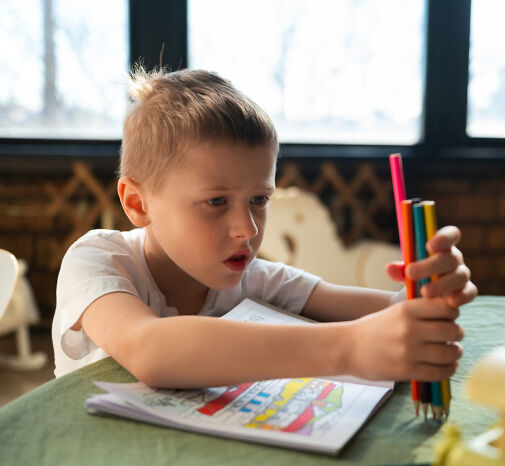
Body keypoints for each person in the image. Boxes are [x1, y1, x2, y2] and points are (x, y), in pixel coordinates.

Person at [52, 68, 478, 388]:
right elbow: (151, 348)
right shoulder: (97, 262)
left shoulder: (250, 276)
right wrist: (349, 348)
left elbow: (384, 309)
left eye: (259, 199)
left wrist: (426, 293)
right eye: (216, 202)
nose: (247, 228)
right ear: (137, 203)